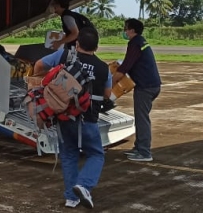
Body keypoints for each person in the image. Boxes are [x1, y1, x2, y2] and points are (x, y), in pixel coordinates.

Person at [36, 27, 112, 209]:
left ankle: (71, 198)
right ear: (97, 47)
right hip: (88, 119)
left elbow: (39, 64)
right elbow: (108, 94)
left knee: (69, 154)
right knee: (96, 154)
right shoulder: (103, 68)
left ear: (77, 44)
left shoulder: (63, 56)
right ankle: (84, 185)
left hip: (63, 116)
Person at [113, 18, 161, 162]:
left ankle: (144, 152)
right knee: (141, 118)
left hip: (145, 87)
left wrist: (109, 82)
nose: (124, 31)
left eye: (126, 29)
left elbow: (125, 67)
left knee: (141, 120)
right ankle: (139, 147)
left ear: (132, 30)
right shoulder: (141, 41)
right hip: (151, 85)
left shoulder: (134, 44)